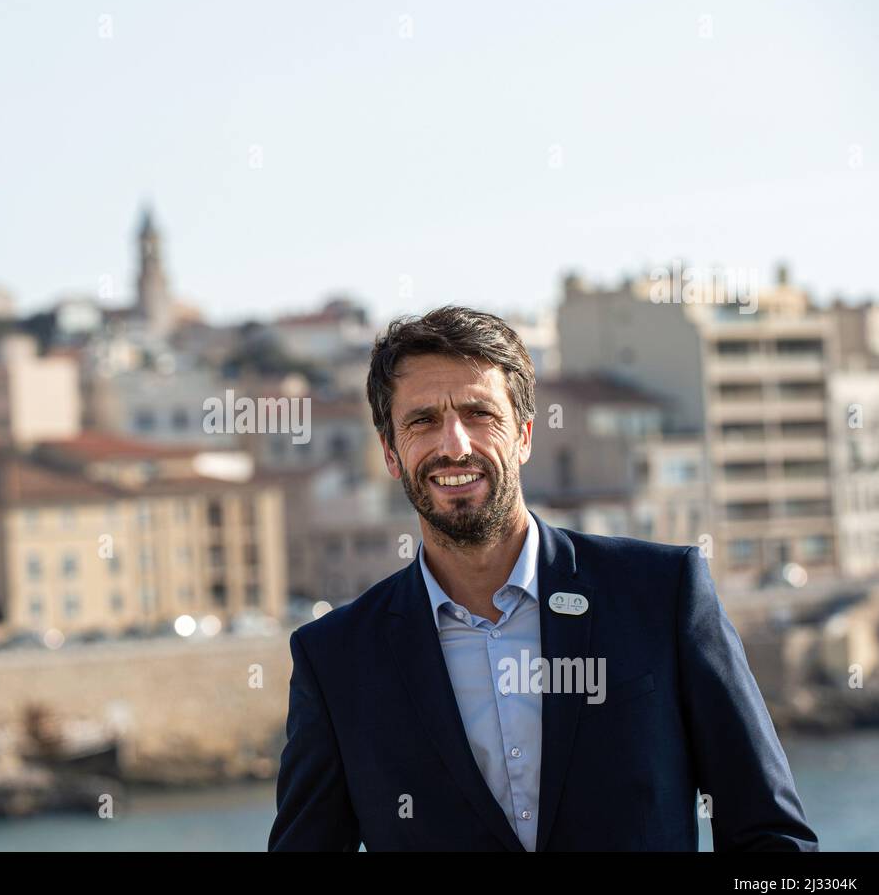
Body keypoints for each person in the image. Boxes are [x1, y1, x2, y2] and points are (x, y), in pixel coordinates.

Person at [268, 306, 818, 851]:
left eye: (479, 413)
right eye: (421, 421)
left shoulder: (662, 594)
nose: (453, 445)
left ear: (525, 435)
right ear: (391, 452)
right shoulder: (337, 660)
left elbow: (770, 837)